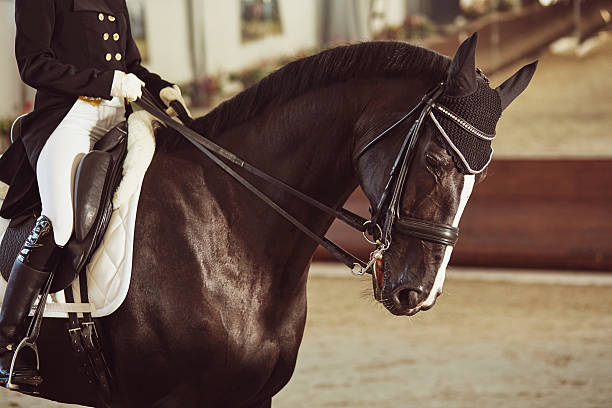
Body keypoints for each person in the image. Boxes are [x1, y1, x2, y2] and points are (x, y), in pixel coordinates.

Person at [0, 0, 190, 390]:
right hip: (67, 118)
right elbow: (33, 64)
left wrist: (159, 87)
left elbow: (129, 64)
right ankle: (7, 342)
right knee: (60, 219)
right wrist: (107, 84)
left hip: (116, 117)